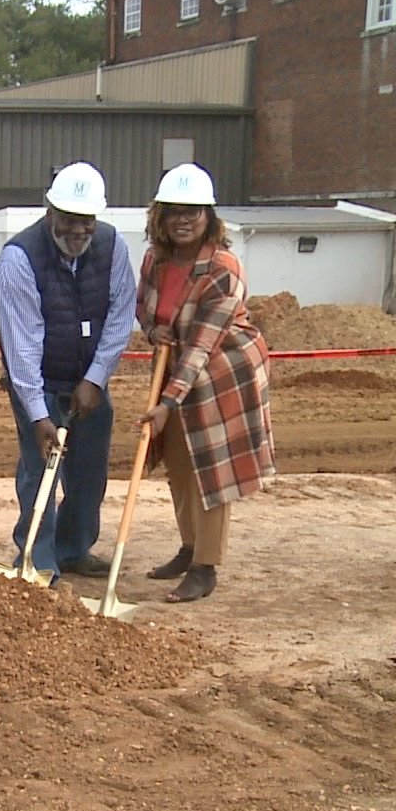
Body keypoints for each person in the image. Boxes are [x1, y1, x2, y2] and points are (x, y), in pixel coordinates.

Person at [0, 162, 137, 581]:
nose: (78, 231)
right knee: (39, 473)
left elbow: (120, 315)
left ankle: (75, 549)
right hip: (39, 380)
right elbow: (22, 347)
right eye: (69, 220)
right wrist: (38, 415)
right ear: (49, 210)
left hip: (90, 380)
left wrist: (95, 379)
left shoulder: (112, 247)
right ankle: (38, 559)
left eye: (86, 221)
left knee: (89, 474)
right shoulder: (19, 260)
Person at [136, 163, 274, 603]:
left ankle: (205, 567)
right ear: (160, 215)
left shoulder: (223, 268)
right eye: (175, 211)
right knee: (178, 462)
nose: (183, 219)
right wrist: (152, 330)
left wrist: (167, 403)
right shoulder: (155, 260)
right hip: (177, 367)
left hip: (222, 375)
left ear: (209, 217)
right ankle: (188, 547)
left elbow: (202, 344)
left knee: (210, 469)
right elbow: (145, 307)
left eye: (193, 211)